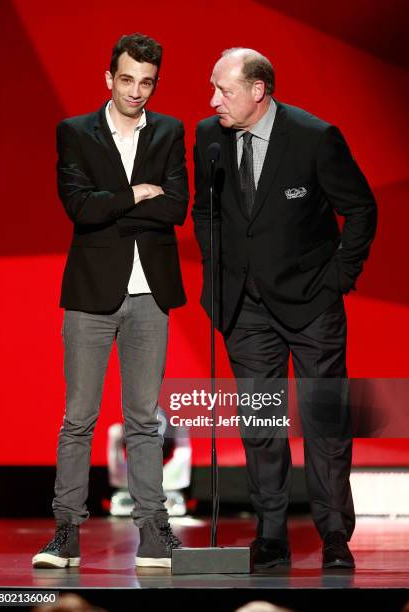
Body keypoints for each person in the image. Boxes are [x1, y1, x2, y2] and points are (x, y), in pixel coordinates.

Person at [192, 47, 377, 569]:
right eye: (213, 89)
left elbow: (361, 209)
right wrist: (217, 269)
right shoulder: (209, 137)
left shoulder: (315, 137)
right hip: (244, 309)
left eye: (223, 90)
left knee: (324, 422)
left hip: (311, 304)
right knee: (260, 422)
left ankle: (335, 534)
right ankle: (270, 533)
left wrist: (338, 278)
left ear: (258, 90)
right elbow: (205, 211)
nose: (213, 101)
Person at [32, 33, 188, 569]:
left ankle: (154, 531)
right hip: (92, 294)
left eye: (146, 82)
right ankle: (66, 534)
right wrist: (137, 195)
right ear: (109, 78)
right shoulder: (76, 132)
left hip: (151, 295)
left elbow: (176, 210)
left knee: (145, 419)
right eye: (127, 80)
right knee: (79, 417)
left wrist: (116, 207)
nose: (136, 91)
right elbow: (79, 208)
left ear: (155, 83)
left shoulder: (169, 131)